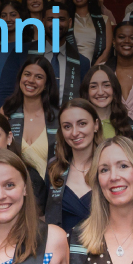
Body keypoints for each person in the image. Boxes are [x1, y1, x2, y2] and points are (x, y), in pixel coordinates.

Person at [46, 100, 102, 234]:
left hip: (103, 250)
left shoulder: (110, 166)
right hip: (63, 251)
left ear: (96, 125)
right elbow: (43, 215)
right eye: (67, 126)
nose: (75, 132)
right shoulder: (54, 168)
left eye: (82, 124)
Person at [1, 57, 61, 177]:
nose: (31, 80)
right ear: (20, 78)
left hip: (49, 189)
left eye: (39, 77)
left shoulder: (59, 117)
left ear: (46, 84)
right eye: (27, 74)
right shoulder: (6, 111)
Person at [82, 65, 133, 141]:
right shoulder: (79, 125)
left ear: (115, 89)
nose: (100, 92)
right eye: (93, 86)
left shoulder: (130, 124)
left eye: (106, 85)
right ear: (86, 91)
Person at [71, 0, 115, 65]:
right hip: (70, 70)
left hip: (96, 70)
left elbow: (106, 52)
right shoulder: (64, 20)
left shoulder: (104, 20)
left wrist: (91, 72)